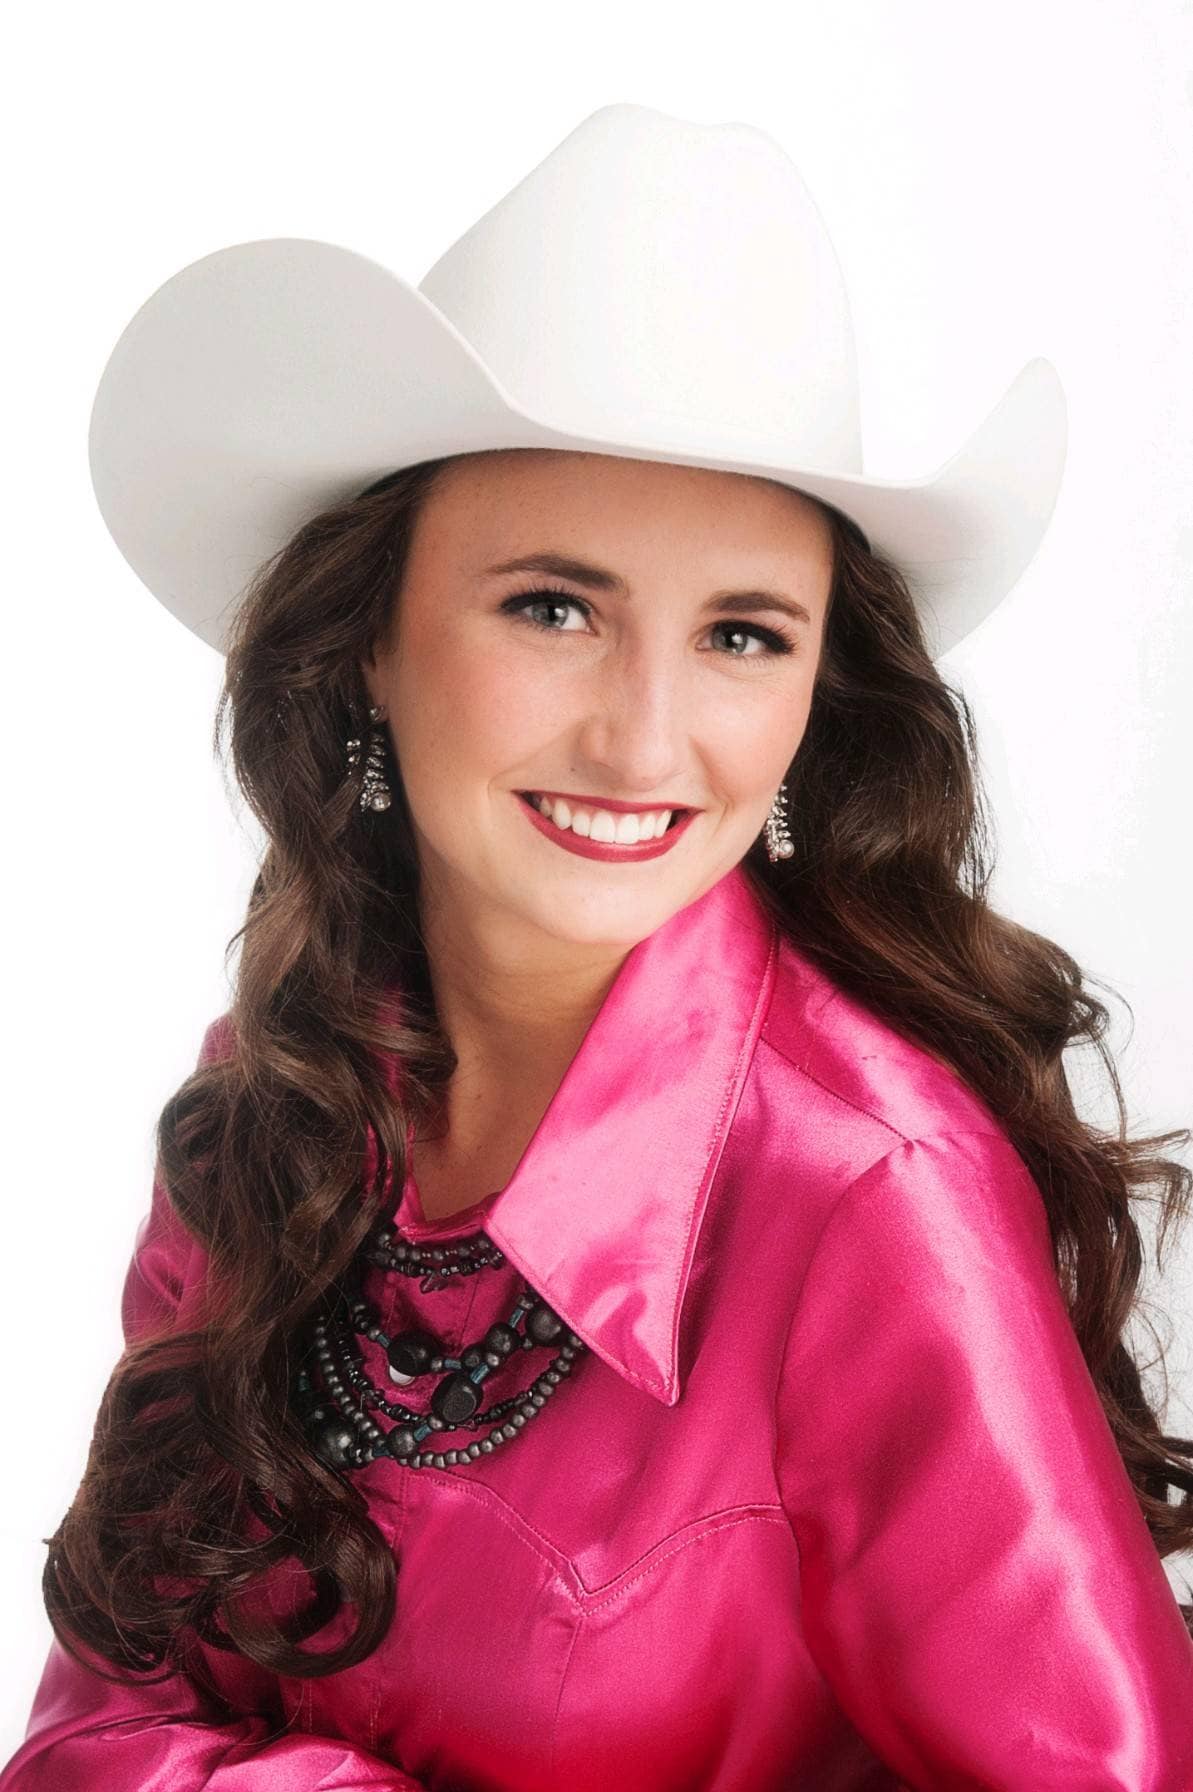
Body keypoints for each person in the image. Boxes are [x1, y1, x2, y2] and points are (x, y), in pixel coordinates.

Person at [3, 103, 1192, 1792]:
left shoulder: (868, 1193)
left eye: (741, 635)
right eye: (551, 607)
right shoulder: (273, 1100)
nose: (644, 742)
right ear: (366, 647)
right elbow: (97, 1729)